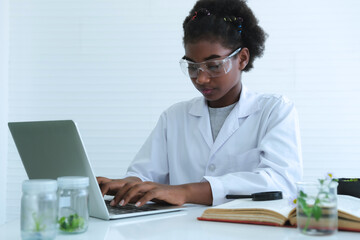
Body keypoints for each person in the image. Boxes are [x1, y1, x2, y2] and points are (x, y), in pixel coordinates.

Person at [97, 0, 302, 207]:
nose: (201, 78)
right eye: (192, 67)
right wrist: (126, 184)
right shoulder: (175, 116)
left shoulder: (274, 110)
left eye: (213, 66)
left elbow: (282, 182)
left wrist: (186, 191)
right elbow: (144, 174)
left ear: (242, 58)